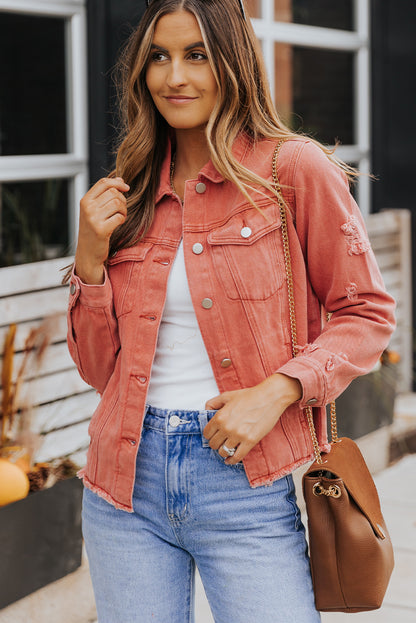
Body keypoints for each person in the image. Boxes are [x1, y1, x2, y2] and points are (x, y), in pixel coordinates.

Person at [66, 1, 395, 621]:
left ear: (234, 63)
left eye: (197, 55)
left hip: (245, 482)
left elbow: (367, 314)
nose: (175, 77)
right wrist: (88, 266)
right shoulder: (129, 187)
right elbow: (96, 369)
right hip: (124, 483)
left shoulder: (291, 168)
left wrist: (275, 392)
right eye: (159, 57)